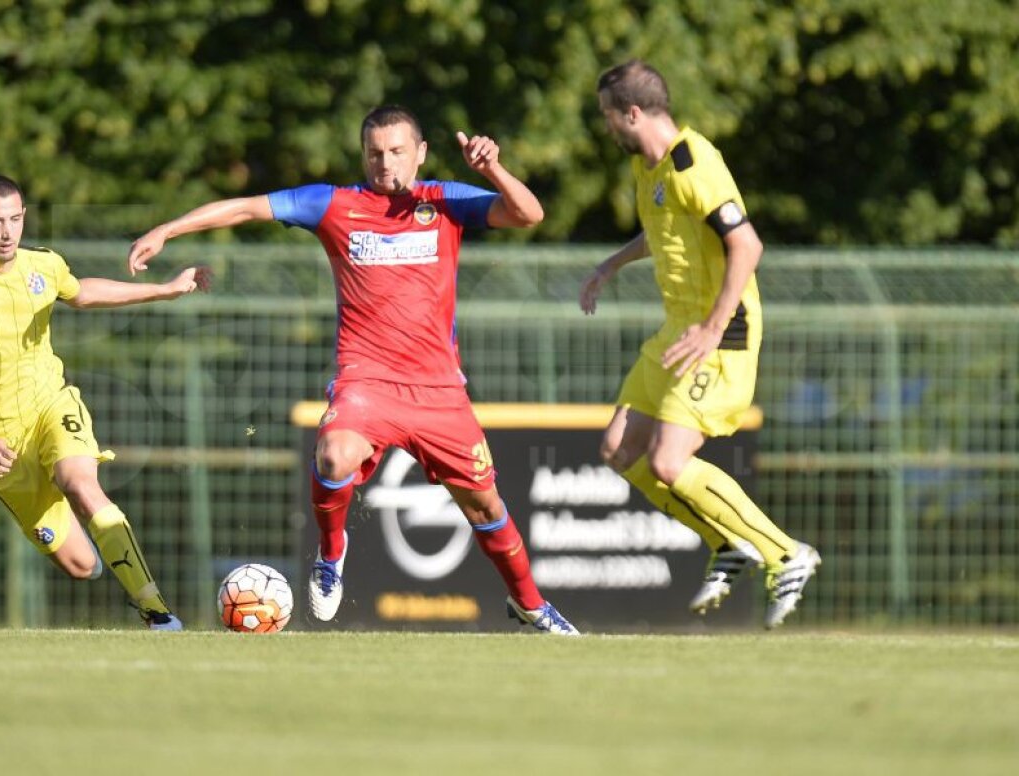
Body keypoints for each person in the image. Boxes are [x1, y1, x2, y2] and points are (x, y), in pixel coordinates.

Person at [128, 105, 579, 635]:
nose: (384, 163)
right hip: (367, 382)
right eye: (374, 153)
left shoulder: (445, 200)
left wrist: (494, 171)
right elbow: (247, 208)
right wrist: (168, 229)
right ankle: (330, 554)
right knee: (335, 454)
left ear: (421, 154)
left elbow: (529, 215)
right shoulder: (335, 205)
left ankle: (530, 604)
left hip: (438, 391)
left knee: (485, 506)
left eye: (396, 152)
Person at [579, 60, 820, 629]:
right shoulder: (650, 168)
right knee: (619, 450)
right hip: (679, 329)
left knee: (667, 461)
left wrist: (713, 326)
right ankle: (729, 546)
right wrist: (611, 265)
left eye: (608, 116)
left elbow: (747, 245)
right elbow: (665, 231)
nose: (606, 126)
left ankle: (787, 554)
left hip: (720, 331)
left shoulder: (696, 163)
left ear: (632, 113)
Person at [0, 174, 210, 630]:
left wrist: (166, 290)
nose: (8, 232)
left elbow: (81, 292)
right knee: (81, 566)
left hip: (51, 404)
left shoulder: (44, 265)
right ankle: (92, 532)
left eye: (15, 219)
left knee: (79, 480)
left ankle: (158, 614)